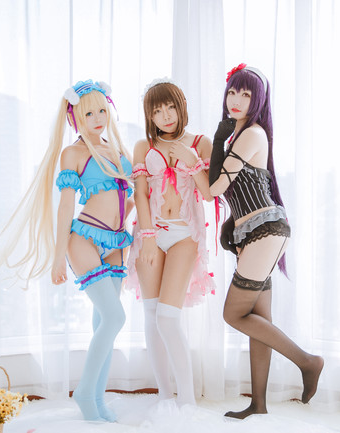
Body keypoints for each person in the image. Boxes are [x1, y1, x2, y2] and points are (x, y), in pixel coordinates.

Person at [0, 79, 133, 422]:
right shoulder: (73, 153)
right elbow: (65, 207)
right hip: (84, 239)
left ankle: (97, 399)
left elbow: (126, 198)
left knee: (105, 322)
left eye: (102, 111)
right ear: (75, 118)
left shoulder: (117, 151)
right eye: (89, 114)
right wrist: (58, 256)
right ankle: (84, 393)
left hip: (116, 240)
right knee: (115, 317)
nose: (98, 118)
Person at [208, 64, 324, 419]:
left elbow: (214, 187)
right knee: (259, 318)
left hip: (265, 231)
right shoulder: (242, 135)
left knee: (233, 313)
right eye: (232, 92)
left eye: (246, 94)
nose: (236, 99)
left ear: (258, 100)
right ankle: (258, 404)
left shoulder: (251, 134)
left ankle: (308, 362)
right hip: (257, 232)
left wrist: (216, 141)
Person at [126, 78, 215, 407]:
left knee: (167, 317)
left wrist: (192, 162)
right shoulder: (143, 146)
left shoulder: (201, 143)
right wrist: (148, 239)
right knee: (151, 315)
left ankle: (187, 402)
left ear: (181, 107)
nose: (165, 116)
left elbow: (208, 194)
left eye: (170, 107)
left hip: (184, 235)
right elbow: (140, 193)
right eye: (157, 110)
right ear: (149, 115)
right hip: (150, 233)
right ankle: (165, 396)